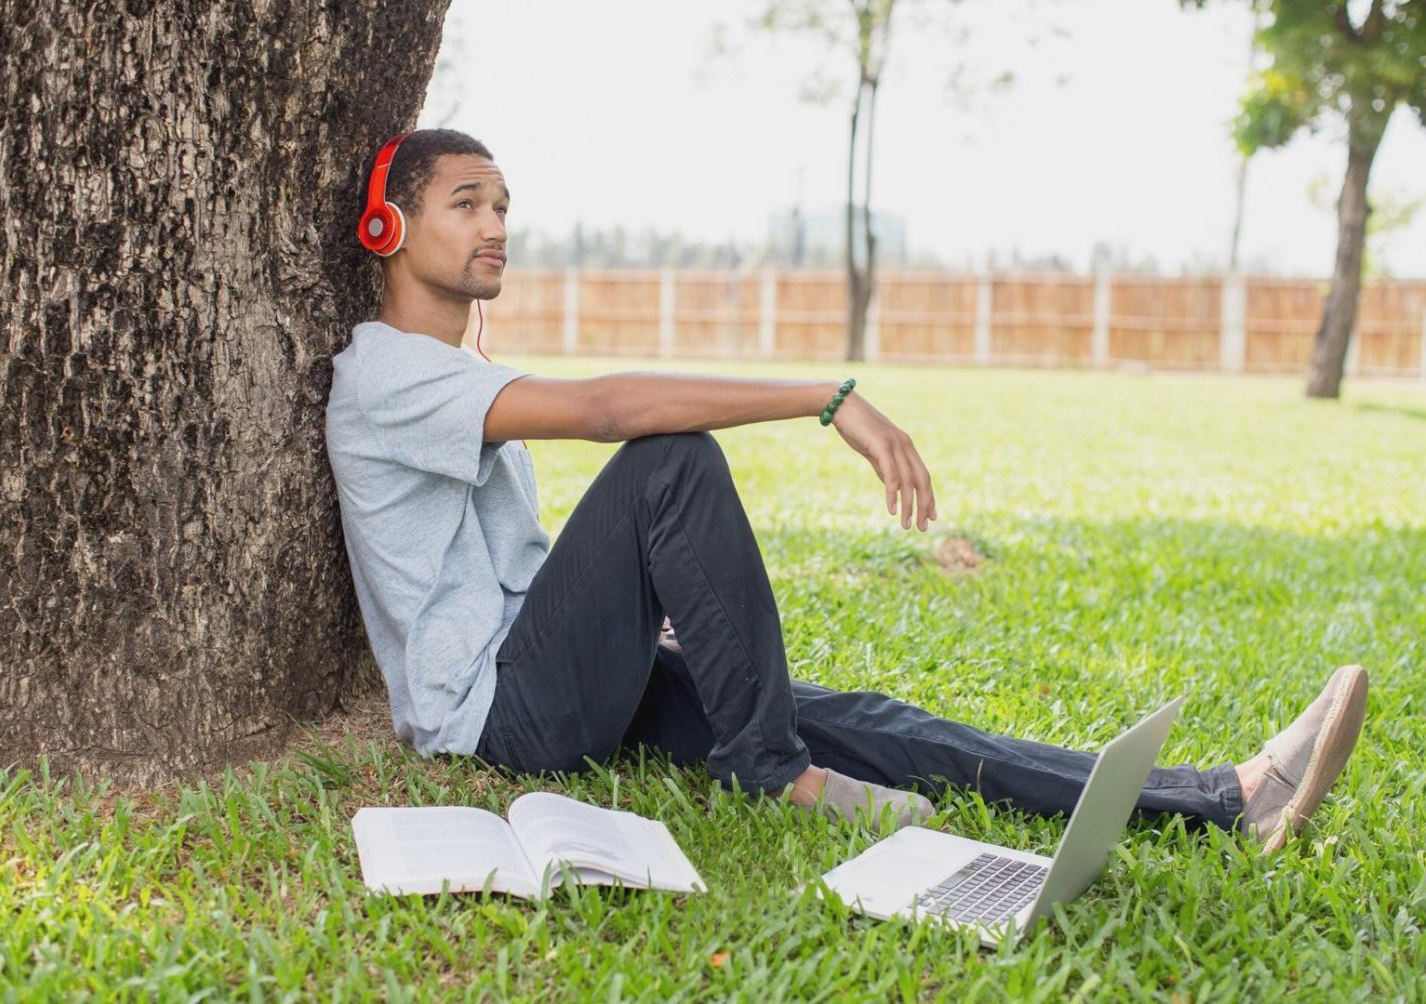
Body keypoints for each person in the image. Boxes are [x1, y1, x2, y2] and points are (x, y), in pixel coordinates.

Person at [325, 129, 1368, 854]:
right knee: (668, 459)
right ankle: (772, 771)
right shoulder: (384, 375)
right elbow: (606, 409)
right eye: (465, 202)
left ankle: (1222, 797)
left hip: (566, 675)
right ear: (388, 227)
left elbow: (528, 569)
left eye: (502, 202)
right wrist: (825, 398)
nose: (495, 222)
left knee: (875, 719)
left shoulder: (457, 376)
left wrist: (646, 628)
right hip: (503, 717)